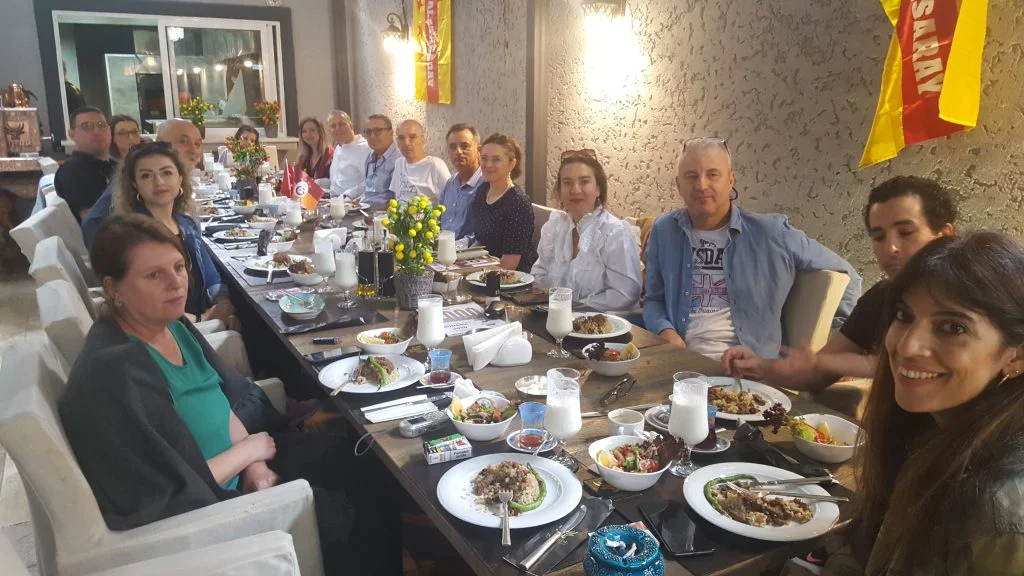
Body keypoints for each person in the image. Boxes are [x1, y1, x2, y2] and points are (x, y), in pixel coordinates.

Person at [58, 214, 402, 575]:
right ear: (113, 289)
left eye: (178, 267)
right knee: (349, 512)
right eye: (154, 275)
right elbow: (168, 493)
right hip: (215, 509)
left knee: (366, 460)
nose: (176, 284)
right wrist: (248, 454)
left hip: (243, 466)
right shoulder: (117, 373)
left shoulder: (172, 326)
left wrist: (255, 463)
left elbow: (220, 399)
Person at [820, 232, 1024, 575]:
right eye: (904, 315)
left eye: (953, 327)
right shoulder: (929, 432)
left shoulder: (1000, 513)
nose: (908, 346)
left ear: (1016, 356)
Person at [722, 176, 957, 390]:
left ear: (944, 236)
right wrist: (762, 366)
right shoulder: (880, 298)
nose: (891, 248)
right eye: (879, 237)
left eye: (905, 232)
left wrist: (835, 363)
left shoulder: (968, 302)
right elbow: (815, 374)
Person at [643, 137, 861, 360]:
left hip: (751, 369)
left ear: (731, 180)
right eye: (691, 176)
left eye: (713, 174)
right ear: (678, 184)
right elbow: (653, 300)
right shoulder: (664, 230)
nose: (701, 185)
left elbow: (849, 276)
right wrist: (666, 332)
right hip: (681, 362)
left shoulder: (772, 233)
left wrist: (839, 345)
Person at [110, 142, 236, 329]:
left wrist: (223, 304)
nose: (159, 182)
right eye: (146, 176)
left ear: (180, 179)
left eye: (166, 173)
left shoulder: (187, 224)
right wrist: (202, 319)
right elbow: (145, 304)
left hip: (203, 317)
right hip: (171, 329)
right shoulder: (134, 237)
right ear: (135, 185)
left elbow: (211, 277)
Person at [531, 149, 641, 311]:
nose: (575, 190)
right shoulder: (554, 227)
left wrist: (574, 307)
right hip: (556, 317)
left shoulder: (615, 233)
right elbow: (539, 274)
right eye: (567, 183)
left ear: (598, 189)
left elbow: (625, 294)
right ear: (560, 190)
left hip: (604, 322)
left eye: (584, 182)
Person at [82, 118, 204, 248]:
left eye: (197, 144)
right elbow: (93, 226)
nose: (193, 150)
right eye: (183, 141)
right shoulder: (137, 228)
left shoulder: (184, 223)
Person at [468, 133, 536, 272]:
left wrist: (466, 272)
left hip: (511, 278)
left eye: (496, 160)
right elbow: (480, 242)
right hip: (482, 269)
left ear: (512, 164)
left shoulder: (518, 203)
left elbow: (508, 265)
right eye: (484, 158)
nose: (488, 165)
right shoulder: (482, 191)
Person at [55, 106, 115, 222]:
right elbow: (94, 222)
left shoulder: (113, 165)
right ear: (72, 135)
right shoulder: (75, 170)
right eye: (87, 127)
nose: (97, 131)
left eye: (102, 125)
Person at [438, 123, 484, 239]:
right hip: (441, 246)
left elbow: (483, 234)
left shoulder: (486, 185)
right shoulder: (450, 183)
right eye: (453, 147)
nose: (458, 151)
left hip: (467, 249)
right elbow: (437, 221)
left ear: (479, 150)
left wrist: (452, 246)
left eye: (465, 146)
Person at [388, 119, 450, 203]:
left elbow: (450, 199)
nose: (406, 143)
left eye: (412, 137)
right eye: (401, 138)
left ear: (423, 139)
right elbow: (397, 197)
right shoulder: (399, 163)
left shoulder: (435, 165)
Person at [360, 114, 400, 209]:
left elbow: (399, 200)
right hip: (364, 209)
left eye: (378, 131)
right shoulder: (370, 157)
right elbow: (368, 186)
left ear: (391, 132)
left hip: (383, 213)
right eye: (368, 132)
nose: (372, 136)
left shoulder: (399, 160)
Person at [327, 110, 370, 199]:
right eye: (333, 126)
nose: (338, 128)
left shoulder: (364, 149)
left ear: (351, 125)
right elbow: (338, 181)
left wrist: (348, 195)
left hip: (352, 202)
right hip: (333, 200)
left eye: (342, 124)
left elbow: (370, 181)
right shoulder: (338, 147)